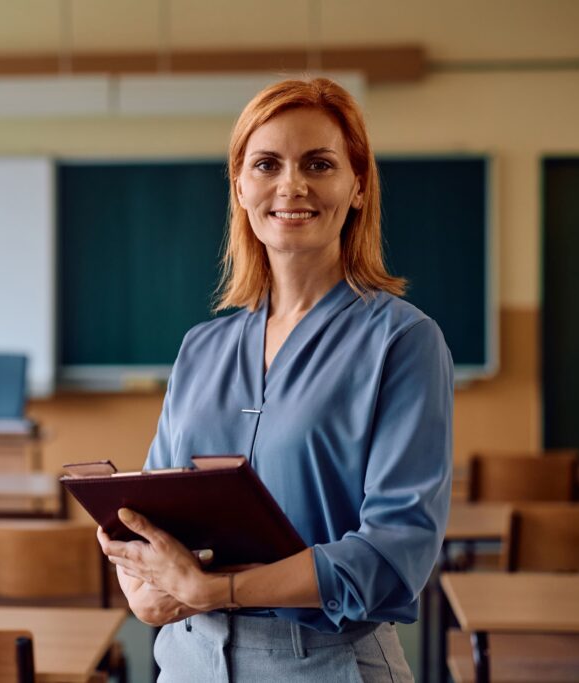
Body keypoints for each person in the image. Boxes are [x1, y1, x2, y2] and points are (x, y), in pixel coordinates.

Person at [97, 77, 453, 681]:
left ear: (358, 186)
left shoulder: (403, 341)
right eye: (267, 164)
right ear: (240, 186)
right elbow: (151, 508)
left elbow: (397, 550)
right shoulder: (200, 347)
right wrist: (137, 580)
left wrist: (222, 590)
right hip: (187, 657)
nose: (292, 186)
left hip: (323, 661)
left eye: (319, 164)